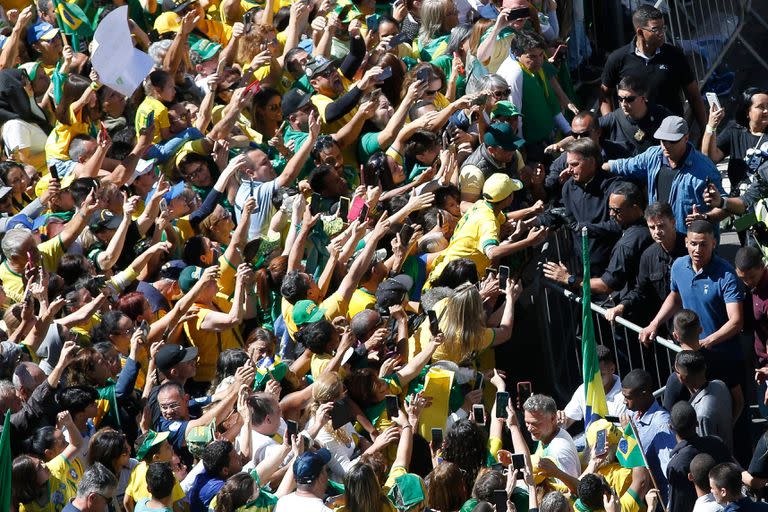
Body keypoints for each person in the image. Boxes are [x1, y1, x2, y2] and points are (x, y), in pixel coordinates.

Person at [603, 116, 726, 235]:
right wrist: (602, 166)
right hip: (660, 238)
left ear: (686, 138)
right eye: (662, 140)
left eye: (672, 141)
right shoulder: (653, 155)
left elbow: (725, 206)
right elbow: (626, 165)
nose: (666, 145)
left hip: (692, 243)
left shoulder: (705, 169)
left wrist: (705, 218)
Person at [599, 5, 706, 129]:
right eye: (656, 29)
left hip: (670, 133)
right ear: (640, 32)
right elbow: (604, 94)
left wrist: (705, 130)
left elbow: (694, 96)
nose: (662, 33)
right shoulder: (618, 58)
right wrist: (612, 125)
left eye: (663, 28)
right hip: (633, 135)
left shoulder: (674, 55)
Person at [544, 181, 652, 303]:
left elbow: (605, 285)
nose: (611, 214)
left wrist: (568, 278)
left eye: (616, 210)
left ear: (635, 209)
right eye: (610, 209)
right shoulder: (649, 226)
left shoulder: (626, 245)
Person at [606, 202, 688, 326]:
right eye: (652, 227)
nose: (657, 232)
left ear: (673, 222)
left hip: (690, 323)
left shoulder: (690, 249)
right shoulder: (648, 255)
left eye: (661, 226)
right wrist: (621, 306)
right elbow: (640, 290)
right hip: (664, 326)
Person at [620, 369, 676, 501]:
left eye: (628, 397)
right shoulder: (633, 414)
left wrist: (670, 506)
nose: (624, 402)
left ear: (643, 394)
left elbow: (670, 472)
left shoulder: (661, 425)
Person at [666, 402, 731, 512]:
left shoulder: (676, 465)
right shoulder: (717, 443)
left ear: (671, 427)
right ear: (696, 423)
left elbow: (677, 506)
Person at [599, 75, 672, 156]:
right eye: (620, 98)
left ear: (643, 98)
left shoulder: (662, 116)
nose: (623, 104)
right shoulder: (613, 118)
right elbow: (589, 129)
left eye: (629, 99)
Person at [673, 351, 733, 450]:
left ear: (681, 377)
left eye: (676, 371)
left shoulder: (701, 414)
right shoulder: (720, 385)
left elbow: (708, 451)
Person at [558, 345, 627, 429]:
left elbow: (624, 435)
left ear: (612, 369)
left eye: (600, 375)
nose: (594, 381)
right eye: (590, 376)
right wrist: (558, 419)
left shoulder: (624, 397)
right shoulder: (583, 389)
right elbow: (565, 423)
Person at [735, 246, 768, 416]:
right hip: (759, 359)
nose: (748, 282)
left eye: (752, 277)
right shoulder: (746, 285)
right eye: (743, 278)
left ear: (762, 266)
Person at [522, 394, 580, 489]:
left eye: (535, 423)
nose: (529, 428)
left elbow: (576, 490)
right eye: (527, 423)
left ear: (553, 419)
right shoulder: (545, 435)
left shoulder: (560, 451)